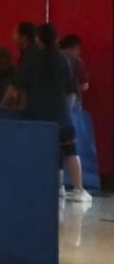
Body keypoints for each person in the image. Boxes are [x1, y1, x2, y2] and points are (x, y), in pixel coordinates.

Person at [19, 24, 91, 203]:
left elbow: (21, 86)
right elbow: (71, 89)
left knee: (45, 152)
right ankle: (78, 189)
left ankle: (57, 187)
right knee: (70, 151)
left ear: (37, 39)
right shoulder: (63, 60)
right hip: (61, 113)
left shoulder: (31, 60)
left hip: (36, 114)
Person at [60, 35, 88, 110]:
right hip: (73, 100)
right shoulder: (77, 61)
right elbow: (85, 86)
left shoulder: (55, 59)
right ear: (74, 48)